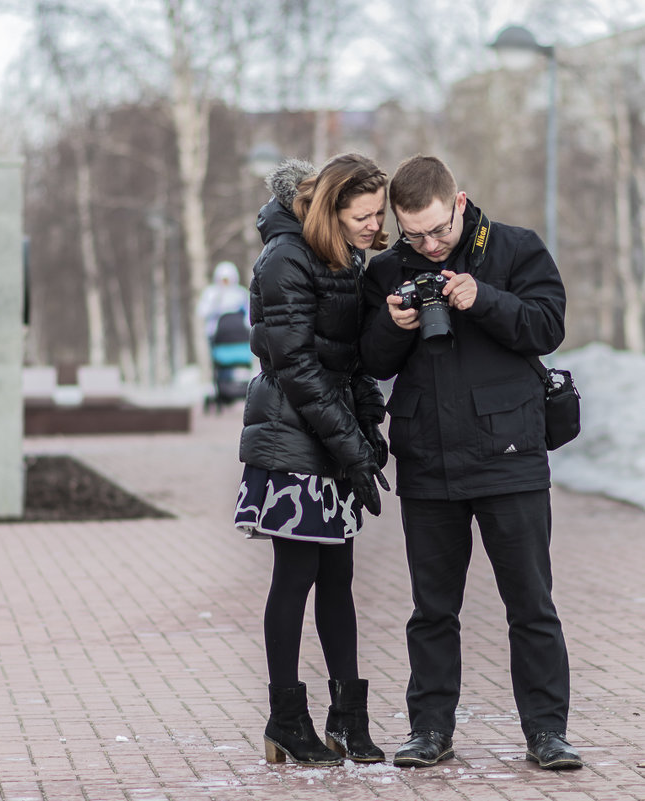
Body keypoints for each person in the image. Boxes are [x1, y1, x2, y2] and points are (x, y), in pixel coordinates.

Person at [360, 154, 582, 771]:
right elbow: (374, 362)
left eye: (438, 230)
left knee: (531, 605)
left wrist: (482, 298)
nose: (429, 245)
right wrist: (393, 321)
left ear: (461, 202)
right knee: (432, 609)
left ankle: (547, 734)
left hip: (509, 455)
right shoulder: (388, 271)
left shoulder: (515, 249)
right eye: (414, 234)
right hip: (429, 461)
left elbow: (547, 327)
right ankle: (429, 731)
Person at [234, 153, 391, 766]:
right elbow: (297, 368)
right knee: (294, 579)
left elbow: (345, 359)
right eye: (365, 215)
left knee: (338, 583)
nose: (375, 226)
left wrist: (370, 429)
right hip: (292, 446)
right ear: (331, 208)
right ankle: (285, 720)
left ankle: (347, 720)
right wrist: (352, 451)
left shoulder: (342, 256)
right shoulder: (285, 258)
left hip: (330, 441)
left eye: (379, 214)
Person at [196, 260, 251, 341]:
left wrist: (246, 327)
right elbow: (202, 312)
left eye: (227, 279)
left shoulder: (240, 293)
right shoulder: (211, 293)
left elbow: (249, 312)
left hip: (240, 336)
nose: (225, 282)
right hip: (218, 336)